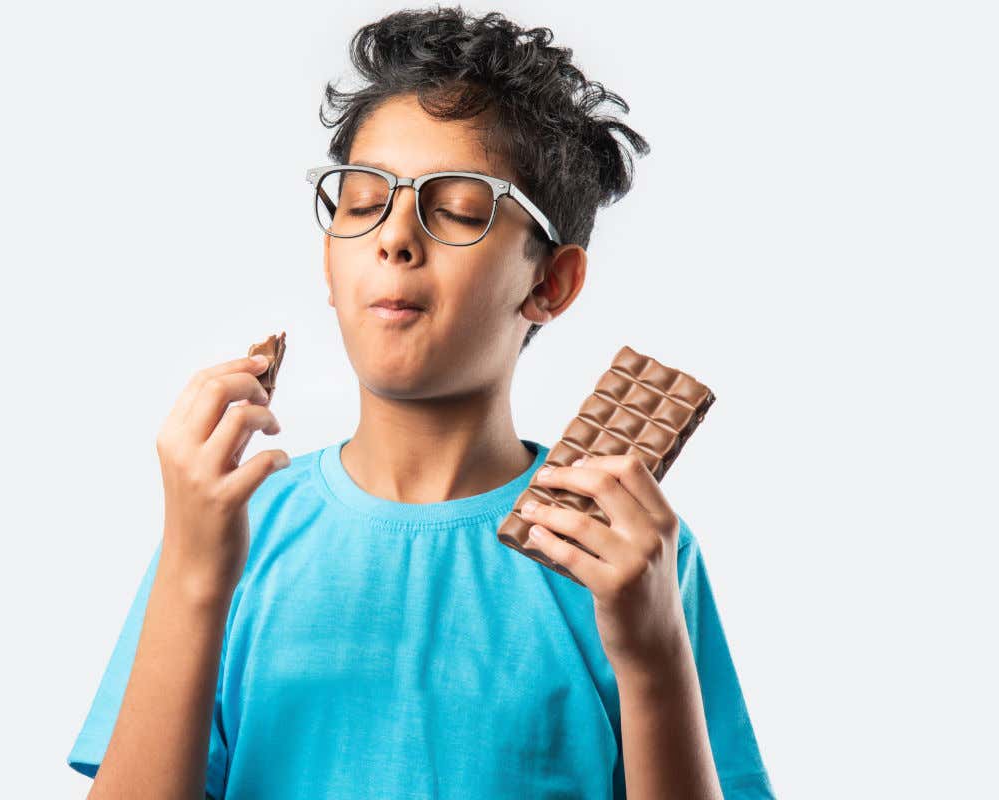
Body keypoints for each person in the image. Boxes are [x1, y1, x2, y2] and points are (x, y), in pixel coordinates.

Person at [67, 7, 774, 799]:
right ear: (329, 265)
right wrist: (195, 574)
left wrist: (652, 661)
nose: (394, 238)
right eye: (363, 203)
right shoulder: (230, 527)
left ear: (551, 282)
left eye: (460, 210)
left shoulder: (627, 553)